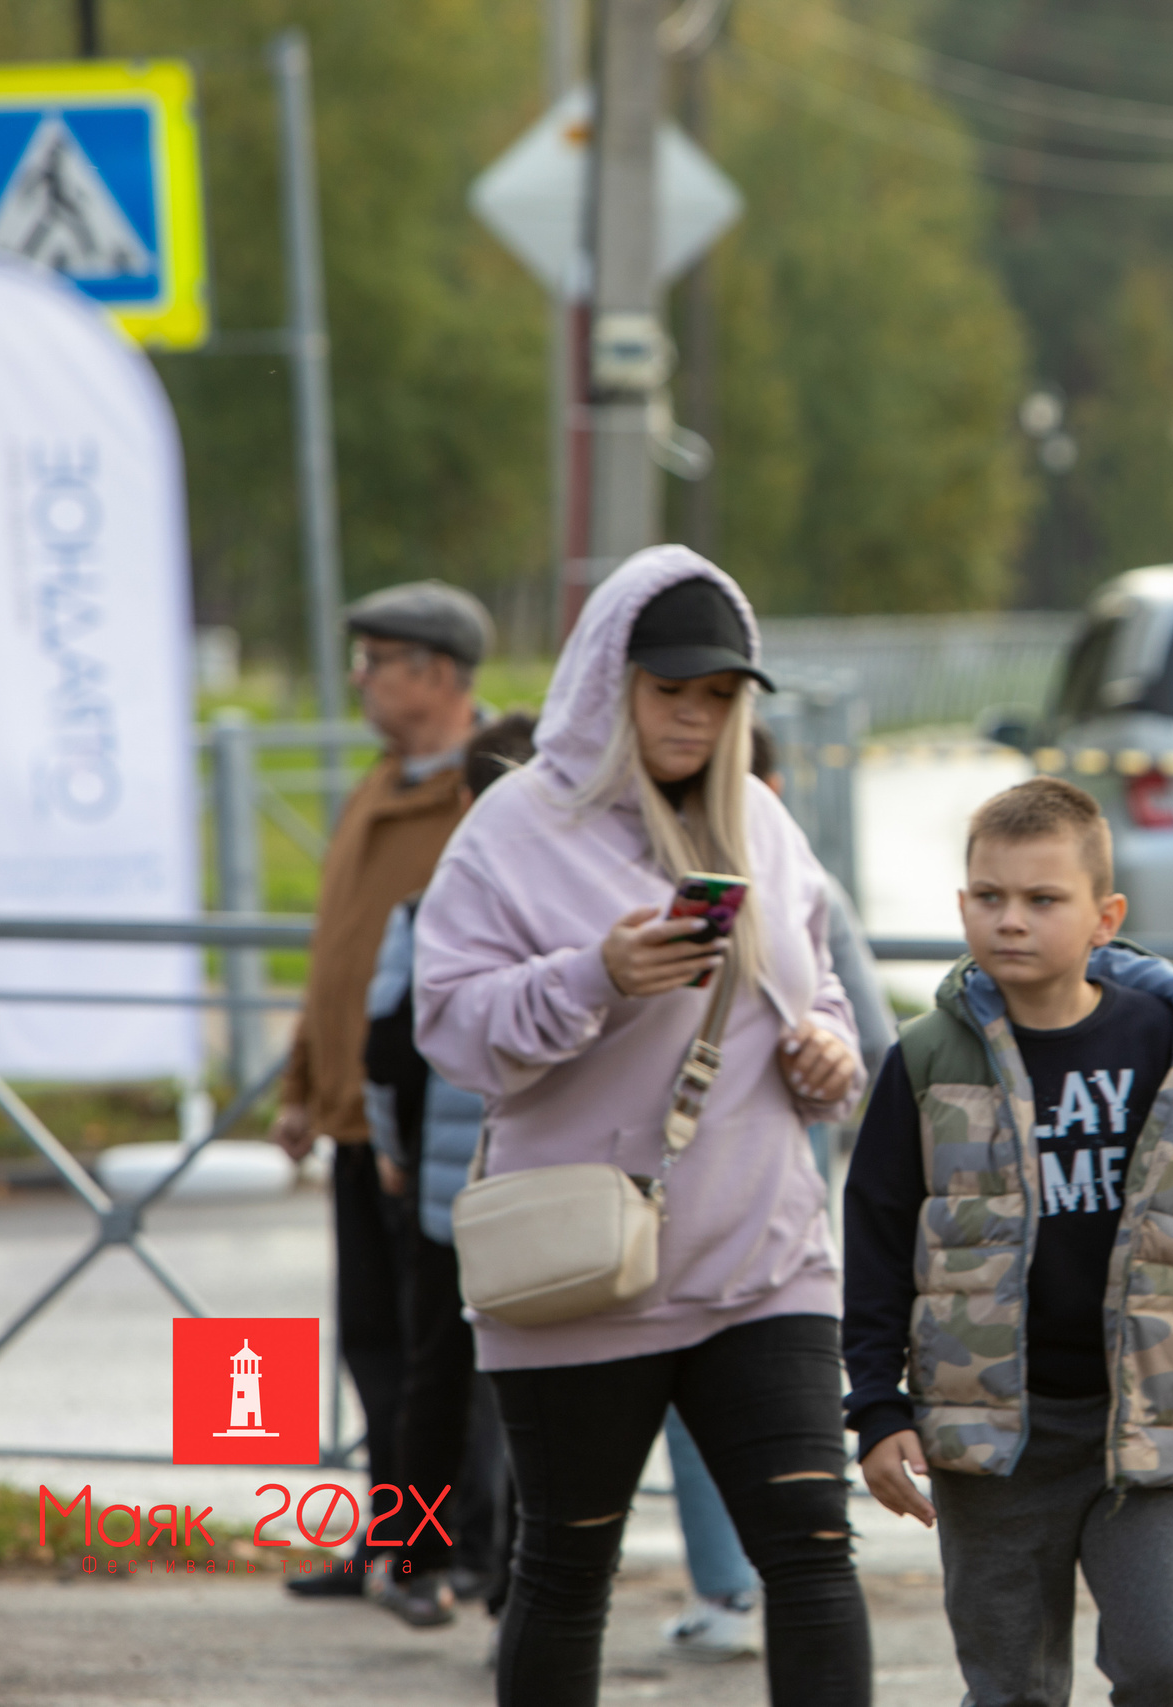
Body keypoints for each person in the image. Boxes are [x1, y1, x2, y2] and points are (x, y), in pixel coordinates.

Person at [414, 546, 871, 1707]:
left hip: (763, 1261)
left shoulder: (758, 823)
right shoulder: (510, 830)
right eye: (672, 691)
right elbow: (452, 1029)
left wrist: (825, 1049)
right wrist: (596, 976)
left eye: (719, 695)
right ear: (608, 685)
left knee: (815, 1553)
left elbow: (813, 987)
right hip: (581, 1271)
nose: (696, 716)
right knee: (567, 1569)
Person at [843, 777, 1173, 1707]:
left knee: (1166, 1669)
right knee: (1011, 1684)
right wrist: (877, 1407)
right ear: (962, 903)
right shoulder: (926, 1059)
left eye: (1043, 900)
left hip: (1148, 1422)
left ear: (1103, 916)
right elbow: (877, 1239)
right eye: (989, 897)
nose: (1012, 921)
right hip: (991, 1432)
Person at [269, 579, 493, 1601]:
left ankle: (445, 1550)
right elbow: (338, 954)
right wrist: (302, 1085)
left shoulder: (486, 795)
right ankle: (392, 1537)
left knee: (436, 1354)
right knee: (372, 1340)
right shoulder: (379, 782)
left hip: (431, 1129)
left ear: (437, 675)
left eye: (376, 660)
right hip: (358, 1118)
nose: (358, 677)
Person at [658, 720, 898, 1665]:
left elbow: (862, 1039)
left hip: (722, 1201)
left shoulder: (784, 875)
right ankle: (742, 1576)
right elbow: (875, 1042)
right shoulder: (788, 876)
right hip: (737, 1191)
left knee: (704, 1394)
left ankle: (727, 1585)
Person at [361, 711, 537, 1631]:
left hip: (446, 1199)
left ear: (463, 802)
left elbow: (385, 1048)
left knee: (437, 1380)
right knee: (536, 1390)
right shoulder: (570, 912)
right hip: (544, 1195)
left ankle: (416, 1559)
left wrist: (391, 1147)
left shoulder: (429, 910)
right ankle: (512, 1577)